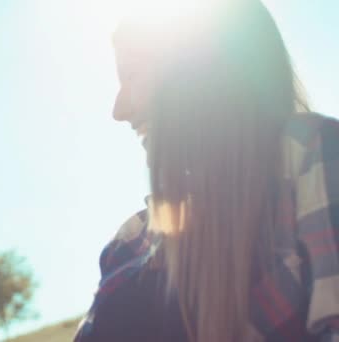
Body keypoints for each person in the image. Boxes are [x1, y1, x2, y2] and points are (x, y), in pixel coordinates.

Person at [75, 0, 339, 341]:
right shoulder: (131, 240)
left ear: (200, 72)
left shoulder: (309, 155)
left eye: (132, 75)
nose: (119, 109)